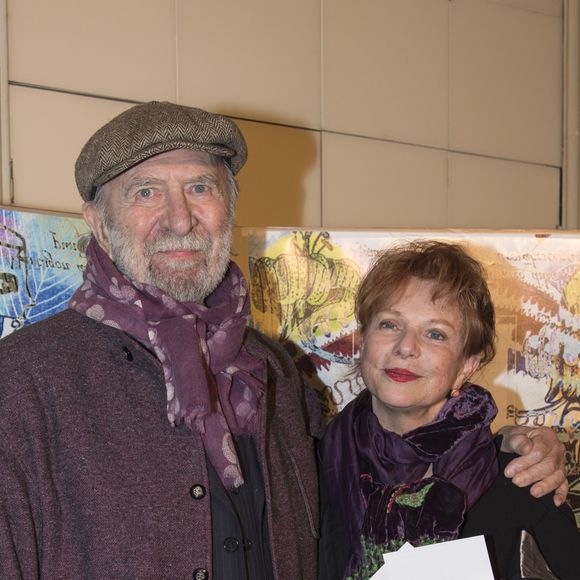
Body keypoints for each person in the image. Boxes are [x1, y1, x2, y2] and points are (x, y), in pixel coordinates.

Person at [0, 102, 568, 580]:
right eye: (146, 192)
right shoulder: (23, 384)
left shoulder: (270, 371)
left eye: (200, 187)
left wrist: (524, 443)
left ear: (230, 206)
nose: (180, 219)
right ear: (98, 222)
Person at [318, 241, 579, 580]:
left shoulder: (525, 485)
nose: (406, 347)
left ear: (466, 366)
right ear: (363, 340)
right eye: (389, 324)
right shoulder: (309, 472)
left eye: (435, 334)